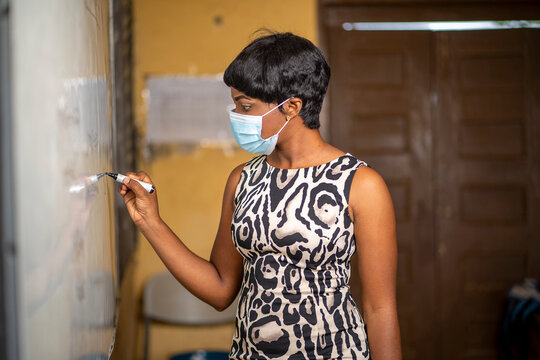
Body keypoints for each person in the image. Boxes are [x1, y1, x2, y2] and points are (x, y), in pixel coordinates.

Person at [119, 31, 402, 360]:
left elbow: (380, 309)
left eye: (246, 106)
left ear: (292, 107)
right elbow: (221, 289)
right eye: (236, 104)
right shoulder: (242, 180)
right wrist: (150, 221)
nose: (236, 116)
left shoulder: (360, 184)